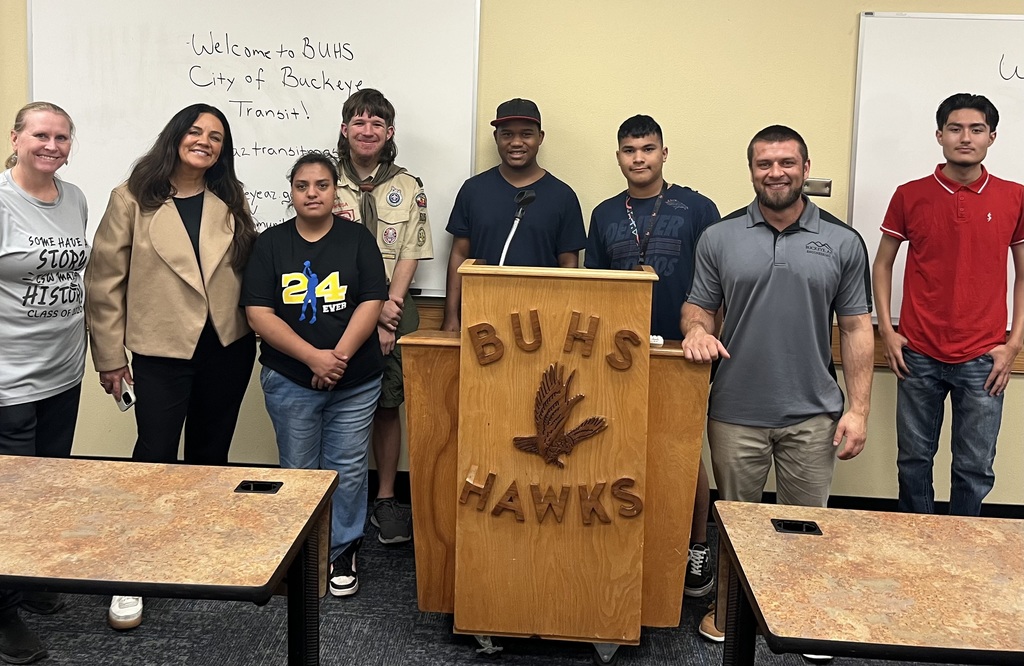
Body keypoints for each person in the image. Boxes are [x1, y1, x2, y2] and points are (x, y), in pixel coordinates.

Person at [681, 125, 874, 649]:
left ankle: (803, 619)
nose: (776, 172)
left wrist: (857, 410)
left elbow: (858, 328)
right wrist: (696, 329)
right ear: (752, 171)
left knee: (804, 527)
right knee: (737, 524)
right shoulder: (720, 237)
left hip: (813, 413)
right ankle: (729, 616)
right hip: (734, 410)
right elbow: (699, 304)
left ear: (805, 169)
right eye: (764, 164)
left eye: (786, 162)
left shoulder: (841, 240)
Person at [85, 103, 257, 631]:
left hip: (227, 347)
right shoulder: (131, 199)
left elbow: (250, 265)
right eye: (196, 131)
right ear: (176, 136)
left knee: (210, 455)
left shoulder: (228, 198)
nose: (205, 141)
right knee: (155, 455)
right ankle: (131, 570)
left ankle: (194, 553)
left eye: (217, 137)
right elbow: (105, 281)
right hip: (161, 349)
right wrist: (110, 357)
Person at [584, 114, 720, 599]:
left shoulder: (698, 208)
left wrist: (705, 336)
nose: (638, 158)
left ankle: (697, 545)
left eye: (647, 149)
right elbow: (594, 289)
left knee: (684, 450)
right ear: (618, 156)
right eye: (628, 150)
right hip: (621, 352)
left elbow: (718, 284)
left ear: (664, 153)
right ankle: (635, 542)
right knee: (620, 447)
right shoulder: (603, 214)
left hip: (685, 351)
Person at [243, 153, 387, 598]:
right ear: (291, 192)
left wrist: (337, 357)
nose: (312, 193)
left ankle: (342, 549)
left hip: (355, 380)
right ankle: (303, 553)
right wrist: (313, 359)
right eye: (303, 186)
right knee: (299, 470)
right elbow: (258, 314)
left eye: (322, 185)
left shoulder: (358, 239)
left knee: (347, 467)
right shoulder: (270, 244)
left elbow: (371, 300)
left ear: (334, 191)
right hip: (290, 378)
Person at [873, 93, 1024, 517]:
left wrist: (1013, 344)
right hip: (918, 352)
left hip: (983, 356)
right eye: (955, 128)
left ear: (992, 137)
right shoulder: (910, 195)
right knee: (913, 462)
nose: (965, 137)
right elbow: (882, 264)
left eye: (976, 129)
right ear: (939, 135)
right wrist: (887, 329)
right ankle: (917, 543)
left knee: (974, 467)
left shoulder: (1015, 196)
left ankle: (963, 546)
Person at [0, 101, 88, 665]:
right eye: (40, 135)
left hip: (64, 369)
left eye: (61, 136)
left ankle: (29, 581)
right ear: (15, 137)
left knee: (48, 487)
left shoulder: (75, 198)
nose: (50, 145)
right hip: (8, 377)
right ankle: (3, 607)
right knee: (11, 499)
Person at [333, 89, 433, 544]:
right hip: (338, 305)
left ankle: (387, 497)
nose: (367, 130)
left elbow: (410, 250)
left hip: (394, 304)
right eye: (359, 121)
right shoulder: (324, 181)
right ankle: (330, 496)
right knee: (339, 396)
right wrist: (367, 312)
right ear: (344, 129)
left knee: (388, 404)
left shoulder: (408, 186)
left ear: (389, 133)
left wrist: (389, 312)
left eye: (377, 123)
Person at [441, 98, 586, 331]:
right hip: (481, 316)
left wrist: (562, 317)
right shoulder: (473, 190)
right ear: (496, 137)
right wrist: (451, 316)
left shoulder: (563, 196)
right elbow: (459, 254)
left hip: (543, 319)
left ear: (540, 138)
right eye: (507, 134)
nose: (516, 142)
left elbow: (568, 264)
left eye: (526, 134)